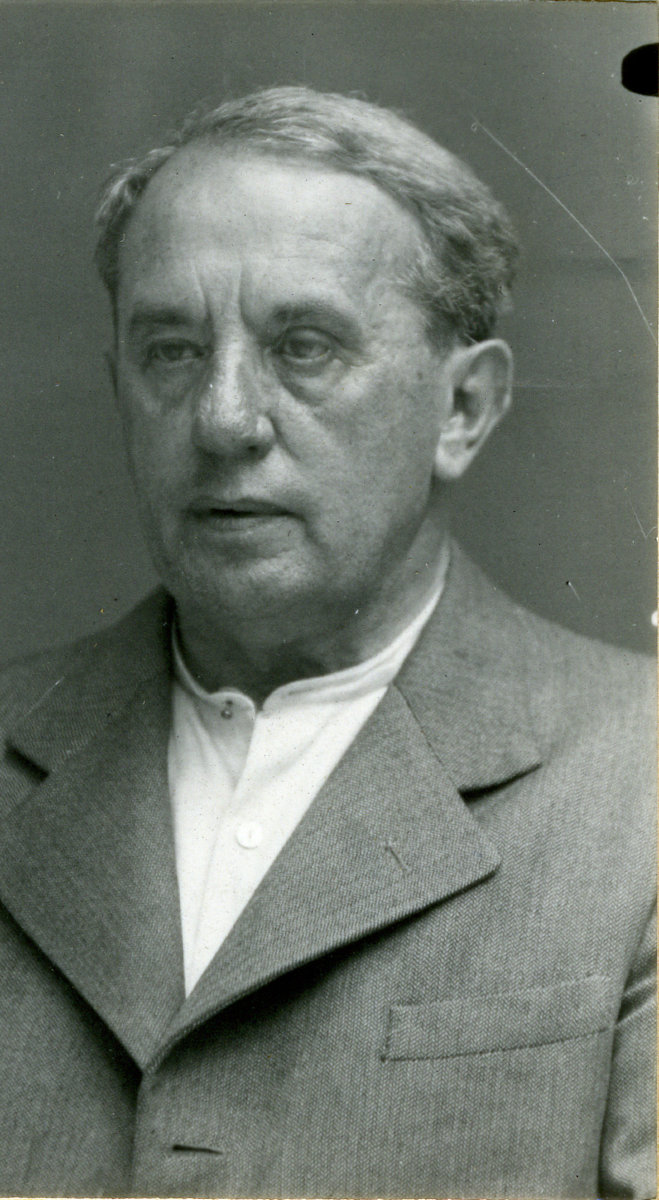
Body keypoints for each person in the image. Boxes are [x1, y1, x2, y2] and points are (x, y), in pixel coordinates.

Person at [0, 86, 654, 1199]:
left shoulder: (639, 785)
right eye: (170, 350)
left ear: (463, 409)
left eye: (303, 347)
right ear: (119, 387)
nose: (224, 419)